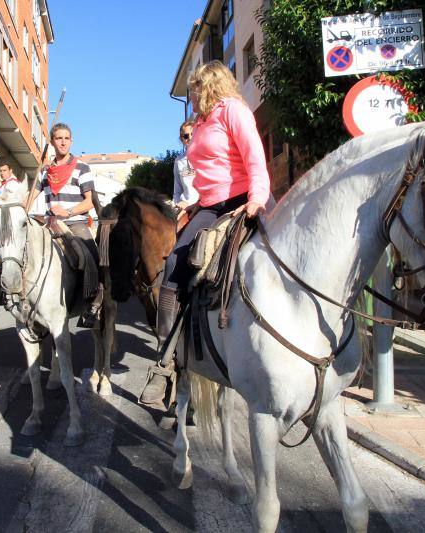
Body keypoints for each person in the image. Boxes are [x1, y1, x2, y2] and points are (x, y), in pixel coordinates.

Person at [139, 60, 271, 409]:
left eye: (194, 88)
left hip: (243, 200)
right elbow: (210, 174)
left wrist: (257, 199)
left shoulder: (233, 111)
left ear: (209, 85)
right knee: (174, 267)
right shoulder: (201, 122)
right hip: (210, 206)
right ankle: (166, 361)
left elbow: (255, 158)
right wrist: (196, 203)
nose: (191, 96)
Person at [26, 123, 102, 327]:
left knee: (91, 257)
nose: (62, 142)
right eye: (58, 138)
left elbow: (89, 201)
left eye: (66, 138)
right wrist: (21, 210)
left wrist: (67, 211)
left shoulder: (82, 168)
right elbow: (31, 196)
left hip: (75, 222)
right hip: (50, 224)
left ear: (71, 141)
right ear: (52, 142)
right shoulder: (45, 171)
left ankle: (92, 305)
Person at [173, 119, 198, 222]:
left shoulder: (206, 155)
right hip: (184, 208)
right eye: (186, 136)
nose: (190, 138)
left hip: (201, 206)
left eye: (192, 134)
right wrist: (177, 205)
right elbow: (177, 191)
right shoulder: (178, 161)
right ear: (181, 139)